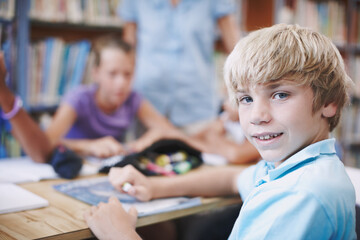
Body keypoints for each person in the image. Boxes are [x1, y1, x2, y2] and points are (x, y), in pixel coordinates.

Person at [84, 24, 356, 239]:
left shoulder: (298, 196)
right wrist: (154, 186)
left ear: (328, 102)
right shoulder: (294, 166)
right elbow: (233, 178)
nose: (257, 116)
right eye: (246, 99)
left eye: (280, 94)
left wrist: (118, 234)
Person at [44, 34, 200, 159]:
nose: (121, 83)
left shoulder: (132, 98)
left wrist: (150, 138)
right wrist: (89, 146)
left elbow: (168, 130)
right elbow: (45, 142)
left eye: (128, 74)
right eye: (112, 74)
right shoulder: (78, 98)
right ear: (95, 73)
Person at [118, 0, 240, 133]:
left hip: (196, 105)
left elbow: (238, 52)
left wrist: (235, 94)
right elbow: (127, 54)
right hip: (147, 106)